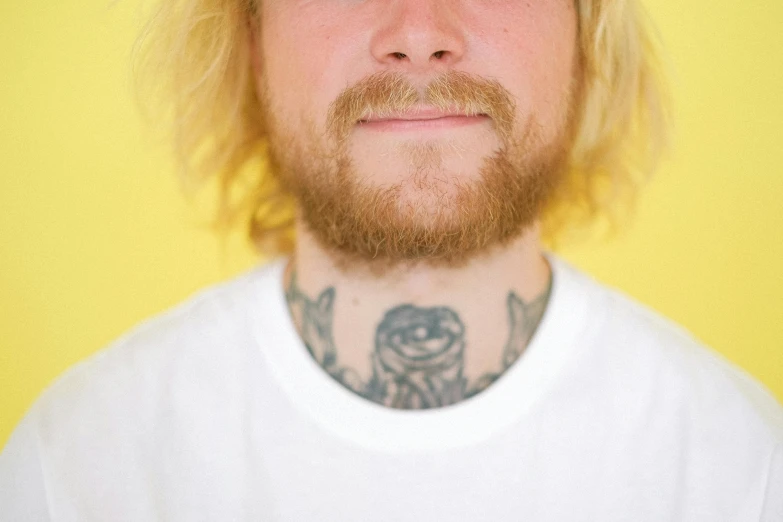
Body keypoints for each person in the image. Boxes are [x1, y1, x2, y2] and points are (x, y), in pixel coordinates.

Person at [1, 0, 782, 520]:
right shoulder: (72, 473)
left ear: (584, 37)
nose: (417, 31)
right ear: (252, 43)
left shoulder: (742, 473)